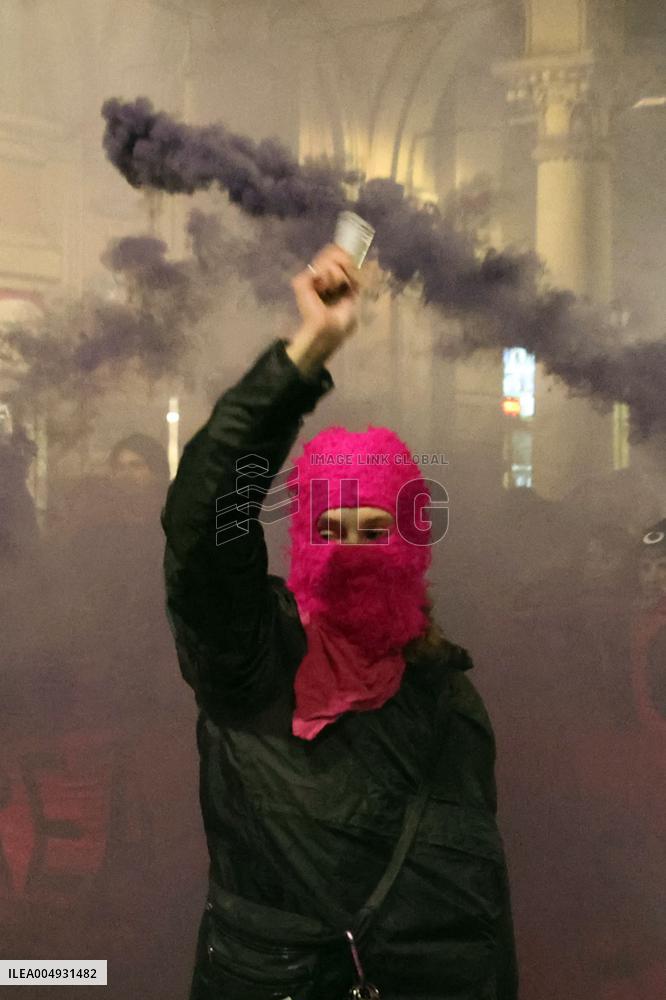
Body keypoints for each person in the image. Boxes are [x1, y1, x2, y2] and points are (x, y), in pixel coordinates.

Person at [162, 243, 518, 1000]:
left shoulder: (446, 695)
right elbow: (205, 518)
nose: (354, 548)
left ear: (411, 544)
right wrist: (307, 353)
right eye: (333, 528)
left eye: (374, 528)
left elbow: (475, 911)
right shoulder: (254, 661)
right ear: (303, 539)